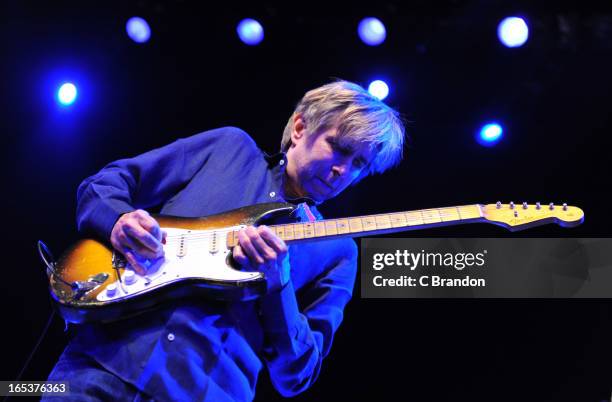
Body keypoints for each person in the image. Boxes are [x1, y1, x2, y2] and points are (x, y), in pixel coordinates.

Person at [44, 80, 405, 401]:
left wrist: (278, 284)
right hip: (97, 368)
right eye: (339, 148)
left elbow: (299, 374)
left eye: (360, 164)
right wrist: (118, 220)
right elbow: (105, 184)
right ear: (299, 128)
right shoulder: (228, 148)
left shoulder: (338, 250)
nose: (343, 170)